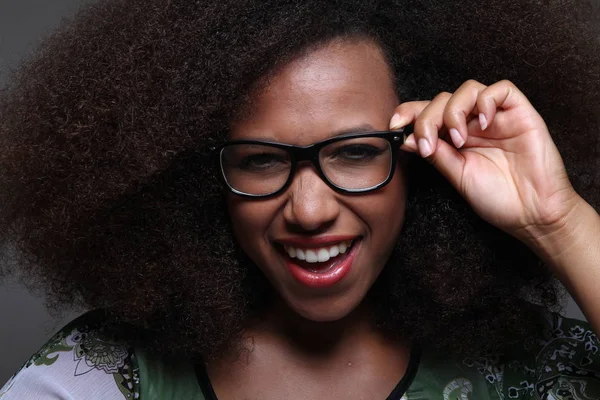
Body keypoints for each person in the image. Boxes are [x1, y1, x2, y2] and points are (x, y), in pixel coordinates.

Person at [1, 0, 600, 398]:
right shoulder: (99, 378)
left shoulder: (531, 369)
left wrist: (557, 220)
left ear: (420, 150)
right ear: (193, 178)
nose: (309, 211)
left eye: (357, 151)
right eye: (262, 161)